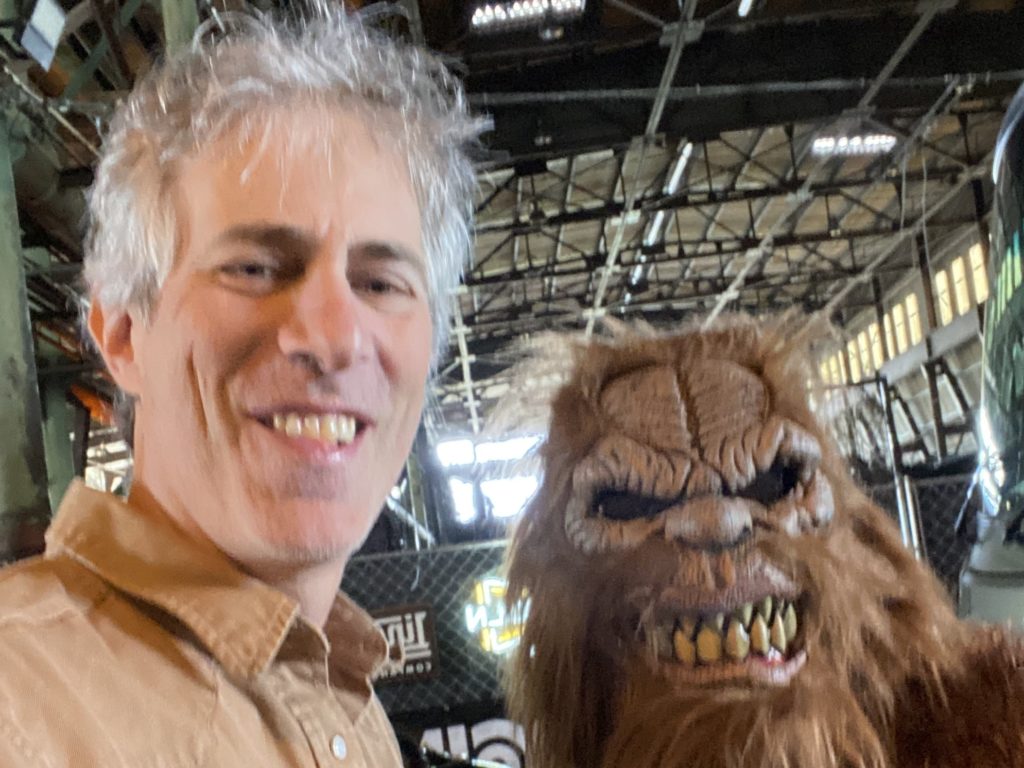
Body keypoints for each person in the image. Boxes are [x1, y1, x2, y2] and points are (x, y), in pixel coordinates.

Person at [0, 3, 482, 766]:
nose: (335, 337)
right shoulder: (22, 706)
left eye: (381, 282)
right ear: (122, 332)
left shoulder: (346, 707)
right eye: (255, 268)